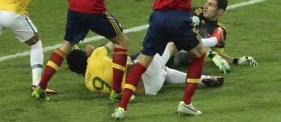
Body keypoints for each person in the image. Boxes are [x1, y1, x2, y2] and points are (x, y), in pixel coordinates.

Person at [112, 0, 231, 119]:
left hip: (158, 16)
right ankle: (186, 103)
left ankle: (122, 108)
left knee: (143, 61)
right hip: (179, 19)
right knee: (199, 54)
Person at [66, 42, 223, 96]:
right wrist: (93, 49)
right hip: (146, 76)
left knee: (165, 71)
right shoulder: (95, 57)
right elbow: (115, 41)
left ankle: (203, 79)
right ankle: (214, 40)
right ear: (85, 57)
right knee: (170, 43)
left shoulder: (88, 85)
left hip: (148, 90)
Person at [169, 0, 258, 73]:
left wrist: (237, 61)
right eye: (206, 3)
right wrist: (211, 54)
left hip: (179, 61)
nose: (205, 6)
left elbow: (218, 55)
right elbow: (188, 37)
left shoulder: (220, 30)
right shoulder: (196, 12)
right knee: (199, 31)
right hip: (168, 50)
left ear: (219, 12)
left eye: (210, 5)